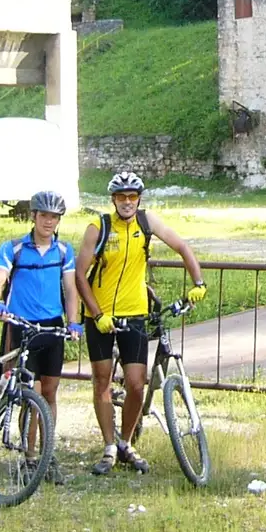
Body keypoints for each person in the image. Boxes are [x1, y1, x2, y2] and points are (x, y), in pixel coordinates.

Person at [75, 170, 206, 476]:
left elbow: (183, 247)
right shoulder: (98, 227)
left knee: (137, 384)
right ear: (113, 199)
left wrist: (198, 282)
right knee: (102, 381)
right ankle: (109, 446)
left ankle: (125, 442)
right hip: (101, 316)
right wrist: (97, 315)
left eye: (132, 197)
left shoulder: (147, 223)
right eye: (121, 197)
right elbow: (80, 275)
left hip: (134, 313)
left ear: (139, 199)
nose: (127, 202)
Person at [0, 189, 82, 485]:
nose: (49, 222)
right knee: (29, 393)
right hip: (19, 324)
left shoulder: (64, 251)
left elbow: (70, 289)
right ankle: (29, 456)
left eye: (54, 217)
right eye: (44, 216)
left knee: (49, 391)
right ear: (34, 216)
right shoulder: (12, 248)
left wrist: (74, 322)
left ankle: (47, 452)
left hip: (51, 326)